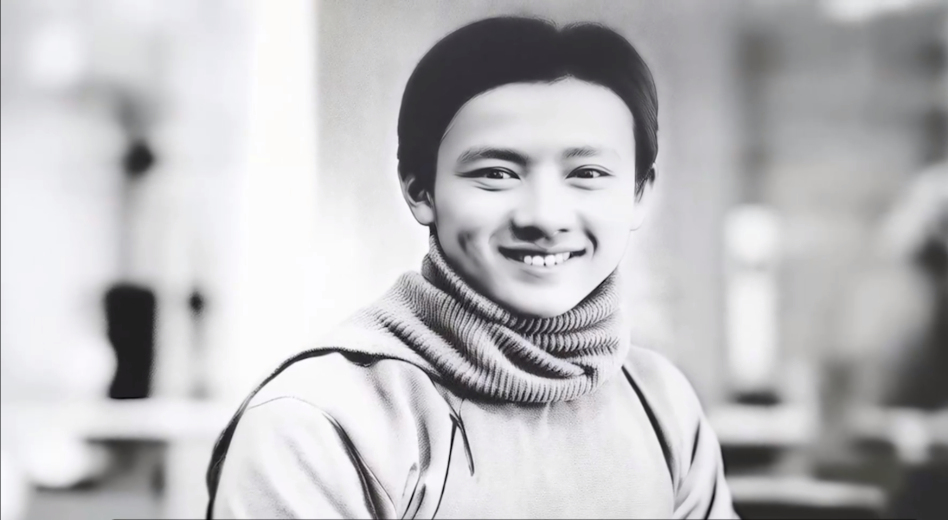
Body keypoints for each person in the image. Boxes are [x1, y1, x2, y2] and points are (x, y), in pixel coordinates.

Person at [206, 16, 736, 519]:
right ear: (420, 190)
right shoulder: (319, 421)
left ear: (639, 194)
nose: (544, 217)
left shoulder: (662, 406)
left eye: (588, 173)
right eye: (497, 173)